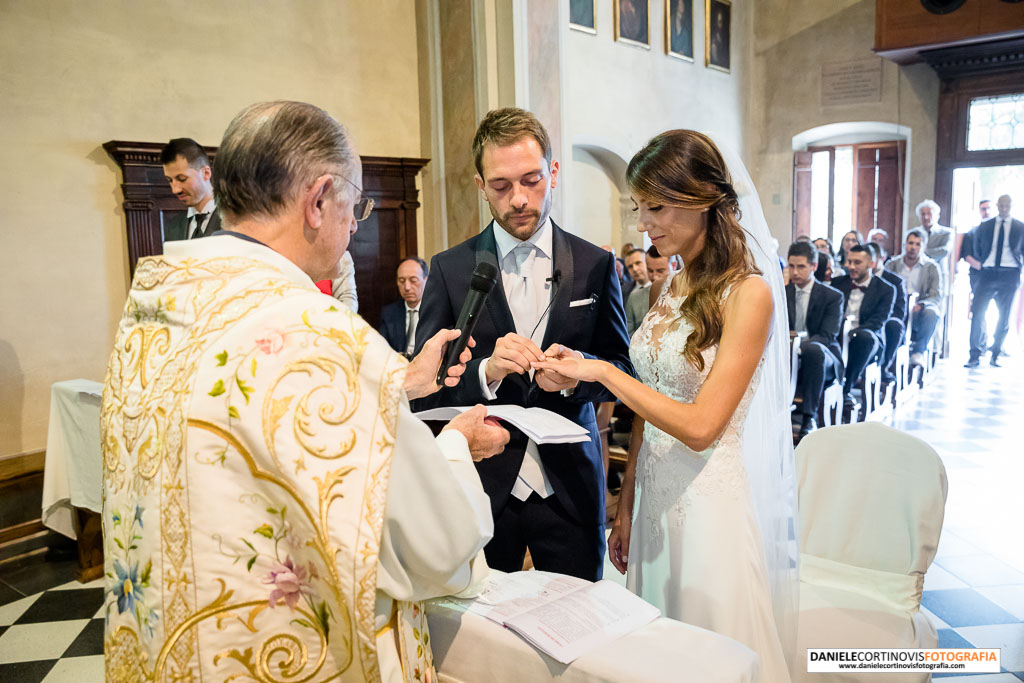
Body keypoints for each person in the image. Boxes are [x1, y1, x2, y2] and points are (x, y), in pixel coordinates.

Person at [101, 101, 510, 682]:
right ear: (319, 200)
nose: (353, 226)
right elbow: (435, 545)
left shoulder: (154, 308)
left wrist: (396, 382)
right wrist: (452, 446)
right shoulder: (321, 333)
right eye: (355, 207)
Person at [535, 130, 796, 681]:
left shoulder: (750, 293)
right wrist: (626, 503)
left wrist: (603, 370)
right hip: (654, 498)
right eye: (639, 208)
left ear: (703, 200)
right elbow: (652, 414)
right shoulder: (669, 286)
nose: (644, 224)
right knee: (658, 656)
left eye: (657, 207)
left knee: (711, 652)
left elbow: (701, 426)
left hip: (709, 503)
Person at [413, 108, 633, 581]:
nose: (518, 199)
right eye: (500, 186)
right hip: (482, 489)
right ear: (479, 184)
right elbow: (422, 390)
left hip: (571, 486)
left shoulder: (596, 264)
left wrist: (579, 375)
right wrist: (484, 373)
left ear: (553, 172)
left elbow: (622, 371)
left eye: (531, 180)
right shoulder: (450, 270)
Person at [786, 242, 844, 442]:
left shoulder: (832, 296)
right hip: (788, 354)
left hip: (822, 357)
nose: (795, 272)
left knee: (814, 350)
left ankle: (809, 418)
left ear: (813, 266)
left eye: (801, 267)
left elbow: (827, 336)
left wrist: (797, 346)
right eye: (791, 266)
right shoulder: (782, 293)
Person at [830, 244, 895, 410]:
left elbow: (877, 322)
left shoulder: (886, 289)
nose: (851, 266)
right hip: (838, 334)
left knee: (864, 338)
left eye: (857, 262)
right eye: (849, 261)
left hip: (866, 337)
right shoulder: (837, 283)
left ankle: (846, 389)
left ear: (871, 264)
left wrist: (851, 334)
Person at [965, 195, 1024, 368]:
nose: (1004, 208)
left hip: (1010, 273)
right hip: (987, 272)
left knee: (1004, 316)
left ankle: (996, 353)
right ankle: (974, 355)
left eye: (1008, 205)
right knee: (977, 313)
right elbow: (977, 246)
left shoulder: (1020, 227)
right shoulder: (986, 226)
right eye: (1002, 205)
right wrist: (982, 264)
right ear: (998, 205)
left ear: (1012, 205)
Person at [886, 228, 943, 366]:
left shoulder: (931, 267)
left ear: (923, 247)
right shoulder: (892, 264)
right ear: (905, 244)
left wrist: (922, 305)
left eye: (918, 244)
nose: (913, 247)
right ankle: (890, 354)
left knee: (932, 312)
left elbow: (936, 295)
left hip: (919, 307)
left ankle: (918, 352)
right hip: (896, 305)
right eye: (910, 243)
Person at [160, 137, 222, 241]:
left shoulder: (236, 221)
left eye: (182, 179)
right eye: (170, 180)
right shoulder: (173, 227)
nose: (175, 190)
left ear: (206, 173)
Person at [867, 241, 906, 383]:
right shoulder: (859, 279)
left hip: (887, 321)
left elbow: (900, 311)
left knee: (894, 325)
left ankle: (884, 368)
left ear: (880, 259)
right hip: (867, 321)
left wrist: (881, 318)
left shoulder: (895, 281)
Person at [379, 256, 429, 357]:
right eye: (401, 281)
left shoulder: (436, 311)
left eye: (413, 280)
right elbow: (381, 347)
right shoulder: (389, 313)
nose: (407, 287)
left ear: (426, 280)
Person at [915, 199, 954, 294]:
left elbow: (944, 251)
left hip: (939, 276)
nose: (926, 217)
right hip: (917, 276)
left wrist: (921, 252)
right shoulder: (913, 233)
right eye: (922, 214)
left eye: (929, 213)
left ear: (937, 216)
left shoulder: (947, 233)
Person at [624, 248, 651, 336]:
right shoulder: (623, 292)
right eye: (630, 266)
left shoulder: (662, 286)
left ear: (647, 262)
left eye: (638, 263)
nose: (635, 269)